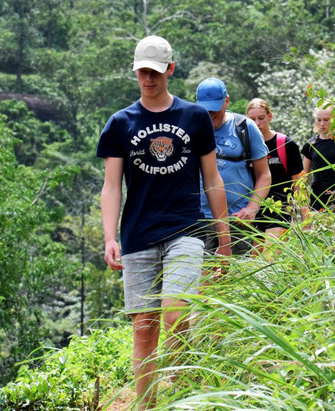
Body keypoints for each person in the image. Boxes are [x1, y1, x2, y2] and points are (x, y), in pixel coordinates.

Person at [97, 36, 230, 410]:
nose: (148, 79)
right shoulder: (120, 123)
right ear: (135, 71)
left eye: (155, 72)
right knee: (143, 330)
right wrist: (110, 237)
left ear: (170, 70)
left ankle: (187, 387)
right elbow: (111, 186)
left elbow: (213, 179)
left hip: (185, 229)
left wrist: (224, 239)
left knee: (174, 313)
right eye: (142, 72)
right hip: (139, 234)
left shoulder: (194, 117)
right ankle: (147, 405)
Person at [196, 78, 271, 255]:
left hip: (237, 220)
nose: (211, 113)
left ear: (226, 101)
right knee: (203, 279)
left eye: (215, 107)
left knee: (235, 277)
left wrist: (252, 209)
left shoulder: (244, 127)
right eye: (206, 108)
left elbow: (264, 174)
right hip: (200, 219)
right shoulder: (192, 128)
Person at [246, 98, 303, 246]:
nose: (257, 123)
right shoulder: (245, 146)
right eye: (252, 120)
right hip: (253, 211)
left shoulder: (286, 144)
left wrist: (305, 216)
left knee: (271, 257)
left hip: (280, 209)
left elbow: (299, 183)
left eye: (261, 118)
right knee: (254, 263)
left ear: (270, 116)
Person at [301, 104, 335, 211]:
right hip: (318, 199)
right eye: (319, 120)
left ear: (334, 119)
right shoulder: (310, 145)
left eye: (326, 120)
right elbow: (304, 179)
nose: (322, 124)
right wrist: (304, 208)